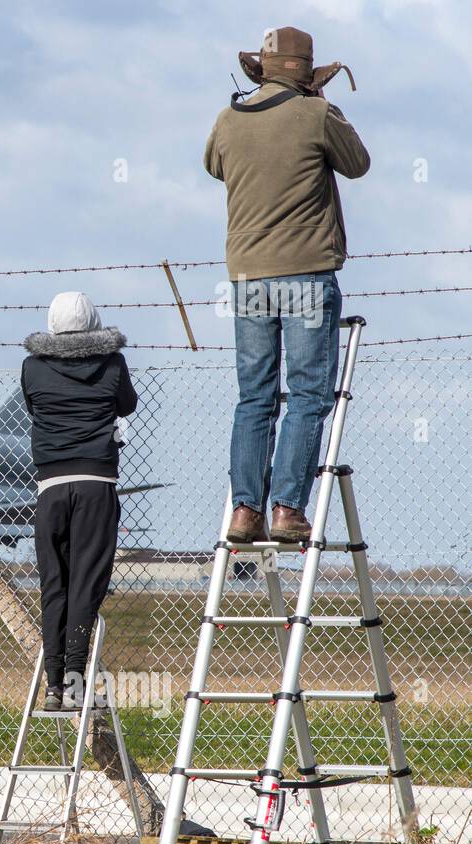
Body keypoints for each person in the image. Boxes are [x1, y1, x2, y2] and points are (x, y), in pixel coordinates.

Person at [204, 26, 367, 543]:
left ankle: (244, 511)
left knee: (254, 396)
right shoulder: (317, 114)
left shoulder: (230, 118)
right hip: (305, 272)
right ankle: (286, 509)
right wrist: (320, 104)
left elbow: (213, 165)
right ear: (306, 74)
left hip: (247, 274)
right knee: (307, 394)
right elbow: (357, 165)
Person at [22, 292, 137, 710]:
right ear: (94, 322)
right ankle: (74, 681)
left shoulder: (33, 366)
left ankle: (53, 685)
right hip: (96, 482)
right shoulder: (112, 363)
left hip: (50, 485)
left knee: (55, 583)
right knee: (86, 584)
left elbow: (33, 406)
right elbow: (128, 404)